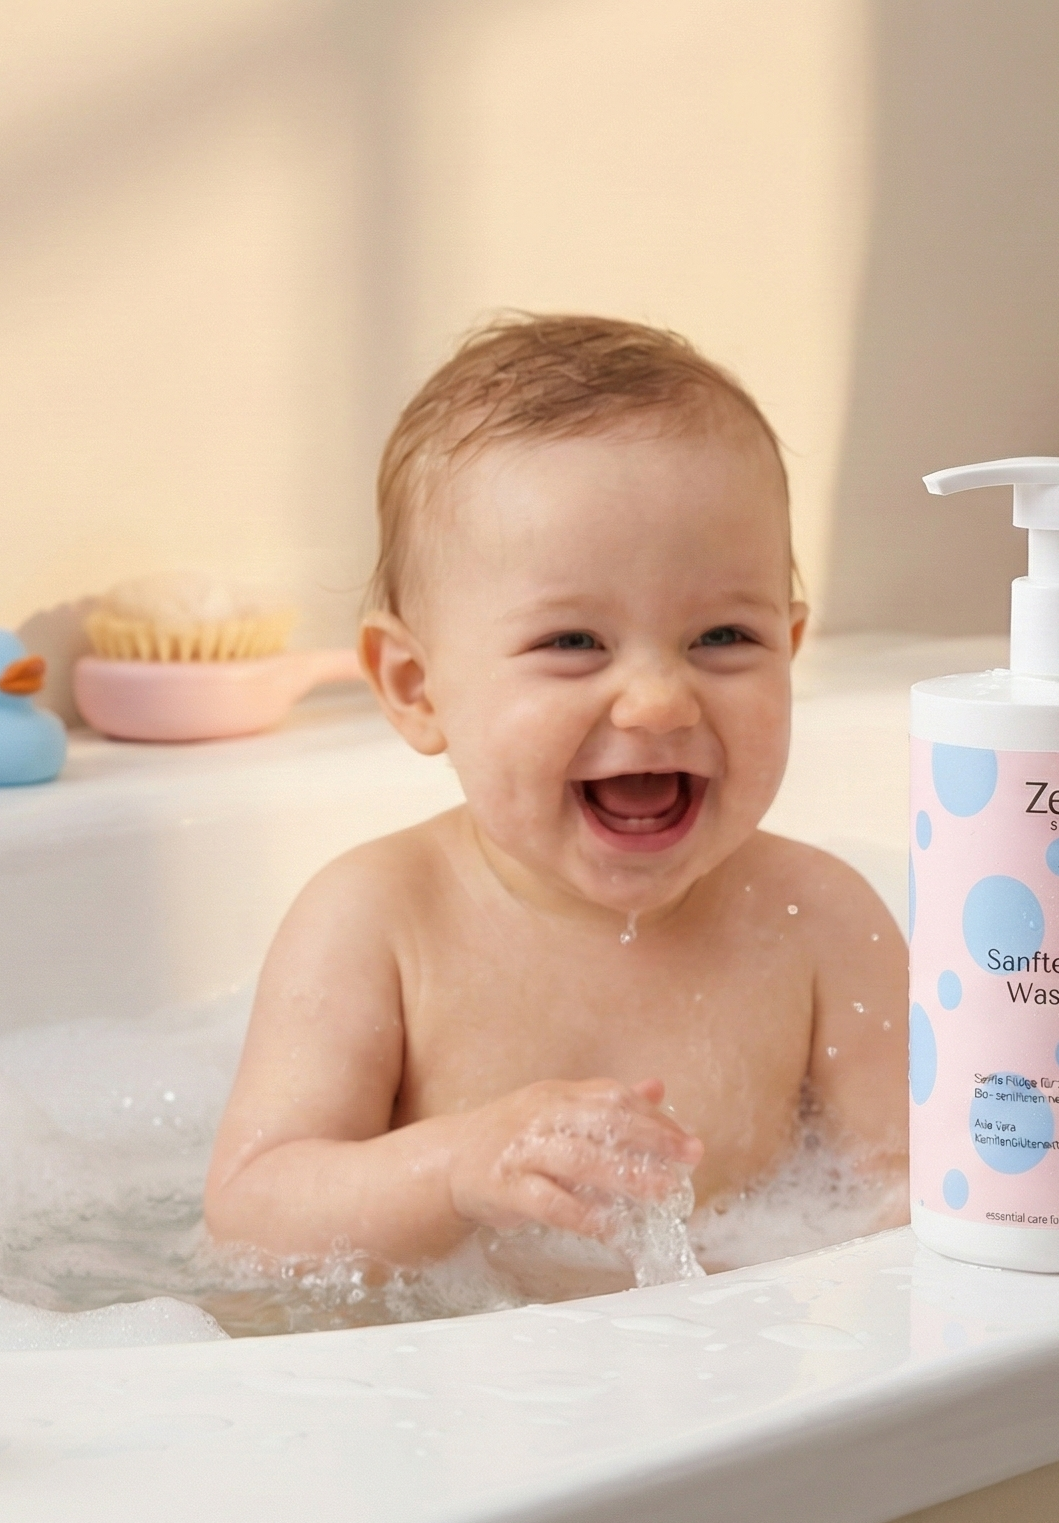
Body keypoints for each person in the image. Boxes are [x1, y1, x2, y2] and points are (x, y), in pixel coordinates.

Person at [203, 315, 908, 1276]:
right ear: (417, 687)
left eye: (723, 638)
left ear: (788, 648)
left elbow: (915, 1200)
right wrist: (456, 1165)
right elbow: (251, 1212)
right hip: (450, 1364)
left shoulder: (822, 921)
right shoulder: (378, 921)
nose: (658, 701)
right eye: (573, 642)